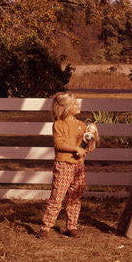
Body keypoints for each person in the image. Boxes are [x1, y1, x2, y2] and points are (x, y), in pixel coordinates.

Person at [36, 92, 96, 240]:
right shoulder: (59, 125)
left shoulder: (82, 125)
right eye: (74, 103)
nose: (78, 104)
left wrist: (92, 137)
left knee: (75, 197)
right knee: (57, 198)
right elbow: (59, 143)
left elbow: (88, 147)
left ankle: (72, 227)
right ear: (66, 108)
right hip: (63, 165)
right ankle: (45, 227)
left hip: (78, 166)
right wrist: (76, 149)